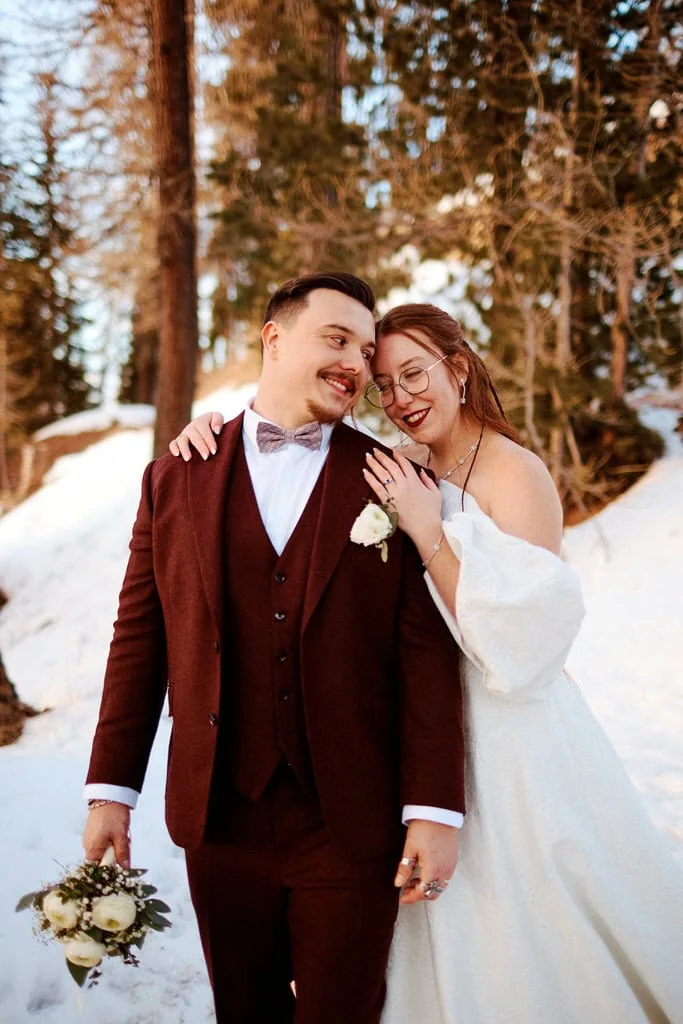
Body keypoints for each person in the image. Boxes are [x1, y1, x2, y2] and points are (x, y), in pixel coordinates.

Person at [178, 302, 683, 1023]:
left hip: (504, 728)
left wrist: (427, 530)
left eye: (414, 374)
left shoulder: (517, 474)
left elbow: (523, 636)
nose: (401, 398)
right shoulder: (397, 465)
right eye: (384, 385)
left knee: (510, 911)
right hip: (411, 731)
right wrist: (209, 432)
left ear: (458, 368)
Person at [82, 275, 466, 1024]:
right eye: (336, 339)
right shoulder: (175, 477)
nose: (355, 363)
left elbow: (426, 659)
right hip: (219, 815)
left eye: (363, 348)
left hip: (350, 815)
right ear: (274, 338)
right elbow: (139, 639)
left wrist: (433, 809)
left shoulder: (394, 483)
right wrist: (109, 791)